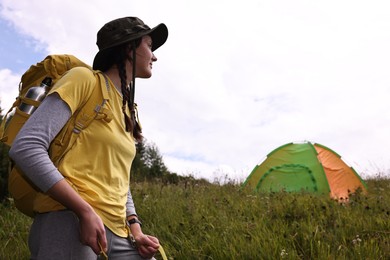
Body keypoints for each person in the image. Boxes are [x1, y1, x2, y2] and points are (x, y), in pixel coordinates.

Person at [9, 16, 168, 259]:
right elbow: (26, 146)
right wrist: (84, 211)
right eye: (149, 45)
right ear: (128, 48)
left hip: (119, 232)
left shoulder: (128, 109)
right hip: (68, 219)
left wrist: (135, 229)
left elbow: (118, 178)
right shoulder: (83, 80)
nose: (154, 56)